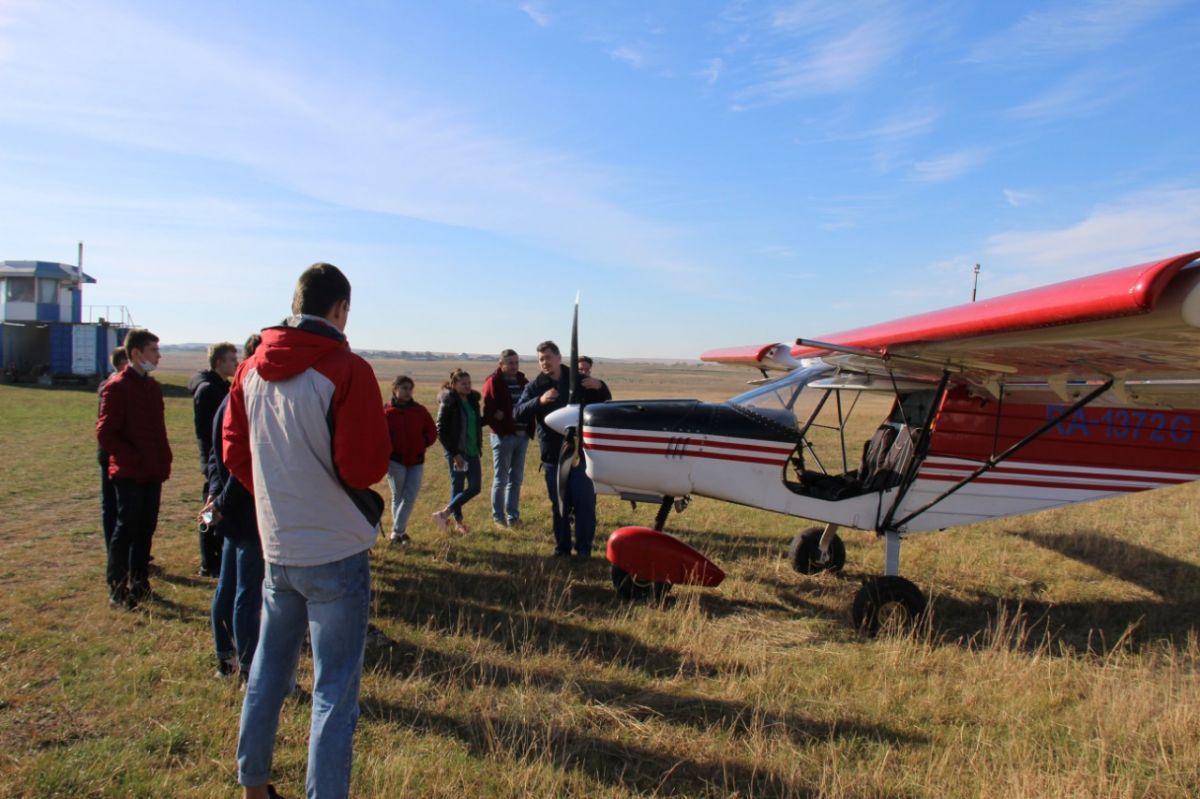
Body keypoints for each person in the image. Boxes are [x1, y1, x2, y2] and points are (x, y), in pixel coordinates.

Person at [223, 263, 389, 799]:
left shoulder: (247, 370)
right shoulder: (347, 369)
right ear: (340, 310)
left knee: (269, 671)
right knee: (334, 691)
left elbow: (234, 453)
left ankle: (254, 783)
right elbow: (364, 466)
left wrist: (280, 497)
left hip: (278, 545)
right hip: (336, 550)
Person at [202, 334, 264, 681]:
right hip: (245, 511)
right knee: (246, 592)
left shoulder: (230, 398)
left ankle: (224, 658)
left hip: (230, 508)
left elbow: (215, 460)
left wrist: (214, 499)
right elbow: (242, 464)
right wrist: (221, 503)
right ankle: (247, 667)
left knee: (228, 586)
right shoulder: (243, 403)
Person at [96, 329, 172, 609]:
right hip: (129, 473)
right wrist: (131, 457)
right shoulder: (116, 386)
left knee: (146, 528)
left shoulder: (151, 387)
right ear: (136, 354)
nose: (158, 356)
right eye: (153, 351)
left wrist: (164, 458)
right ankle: (117, 587)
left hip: (153, 470)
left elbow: (158, 430)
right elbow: (105, 433)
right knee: (125, 529)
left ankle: (140, 582)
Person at [514, 340, 610, 560]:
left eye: (548, 358)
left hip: (581, 455)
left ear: (559, 357)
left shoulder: (578, 380)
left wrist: (601, 386)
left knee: (585, 505)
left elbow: (605, 402)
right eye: (540, 359)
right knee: (560, 506)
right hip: (553, 456)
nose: (544, 363)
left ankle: (584, 551)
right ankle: (562, 550)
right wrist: (540, 400)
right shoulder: (536, 385)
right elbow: (517, 413)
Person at [190, 341, 239, 577]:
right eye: (231, 359)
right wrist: (213, 462)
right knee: (209, 510)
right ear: (219, 362)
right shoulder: (208, 390)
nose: (236, 363)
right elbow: (207, 432)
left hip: (220, 459)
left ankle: (215, 555)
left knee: (219, 508)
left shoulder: (222, 387)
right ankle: (208, 561)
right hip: (214, 462)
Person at [383, 375, 437, 545]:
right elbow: (380, 435)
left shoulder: (419, 411)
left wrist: (423, 443)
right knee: (397, 496)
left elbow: (431, 431)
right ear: (395, 389)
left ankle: (396, 532)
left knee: (409, 496)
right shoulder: (386, 412)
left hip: (416, 461)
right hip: (395, 461)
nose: (407, 392)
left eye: (410, 388)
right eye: (404, 388)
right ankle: (401, 533)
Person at [481, 349, 532, 529]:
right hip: (503, 437)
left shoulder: (523, 381)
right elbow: (488, 409)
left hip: (522, 436)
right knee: (501, 479)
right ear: (501, 364)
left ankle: (513, 516)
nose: (514, 366)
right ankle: (498, 517)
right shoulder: (493, 381)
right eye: (510, 363)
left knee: (516, 479)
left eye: (516, 362)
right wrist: (498, 419)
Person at [432, 369, 483, 534]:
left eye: (469, 383)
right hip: (458, 452)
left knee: (475, 487)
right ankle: (458, 523)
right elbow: (440, 430)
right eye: (463, 383)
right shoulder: (449, 401)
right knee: (458, 486)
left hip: (473, 451)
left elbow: (474, 423)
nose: (467, 386)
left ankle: (444, 514)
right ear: (454, 385)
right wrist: (455, 454)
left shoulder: (472, 400)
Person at [98, 346, 129, 551]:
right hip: (113, 454)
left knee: (125, 508)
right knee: (112, 506)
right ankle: (115, 552)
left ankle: (128, 552)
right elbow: (106, 430)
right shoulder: (111, 387)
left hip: (123, 454)